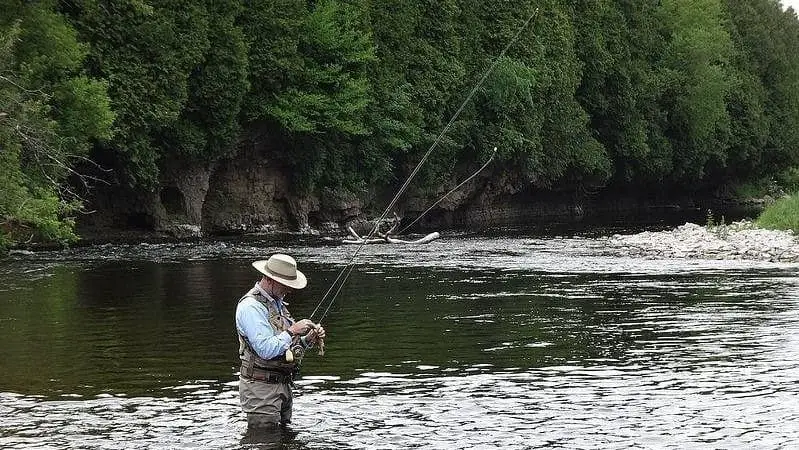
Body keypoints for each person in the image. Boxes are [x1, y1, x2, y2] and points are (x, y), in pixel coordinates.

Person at [235, 253, 326, 429]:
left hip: (282, 385)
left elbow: (286, 349)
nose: (289, 289)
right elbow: (265, 349)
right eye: (286, 284)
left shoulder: (278, 303)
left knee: (285, 440)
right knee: (265, 441)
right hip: (261, 390)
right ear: (269, 279)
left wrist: (307, 340)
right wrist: (293, 330)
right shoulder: (251, 307)